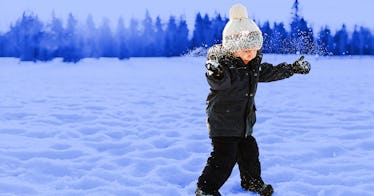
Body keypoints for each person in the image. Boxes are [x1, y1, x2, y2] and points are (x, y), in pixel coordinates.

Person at [195, 3, 311, 196]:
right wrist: (214, 72)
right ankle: (205, 189)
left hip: (243, 123)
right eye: (244, 49)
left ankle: (251, 181)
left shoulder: (253, 67)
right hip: (223, 123)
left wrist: (293, 68)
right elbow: (218, 82)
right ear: (232, 49)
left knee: (250, 153)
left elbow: (272, 72)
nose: (250, 53)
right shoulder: (225, 67)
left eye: (253, 48)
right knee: (224, 158)